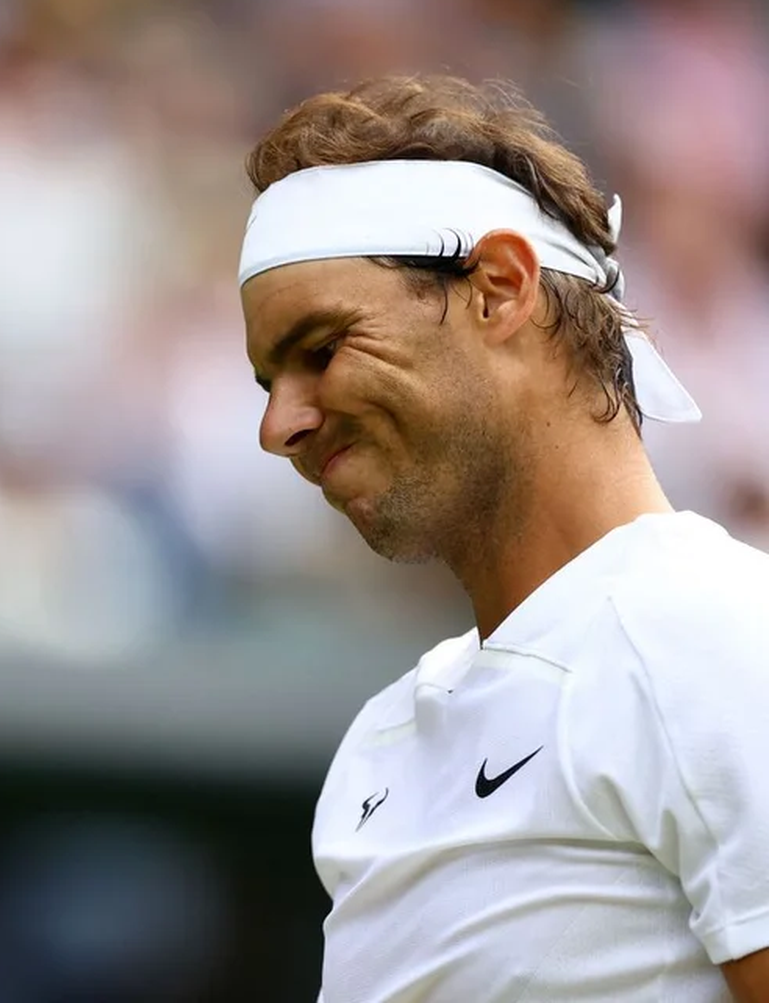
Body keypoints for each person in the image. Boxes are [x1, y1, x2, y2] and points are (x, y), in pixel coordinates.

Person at [236, 75, 769, 1002]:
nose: (278, 425)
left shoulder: (719, 637)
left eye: (321, 349)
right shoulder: (381, 743)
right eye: (267, 380)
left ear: (499, 290)